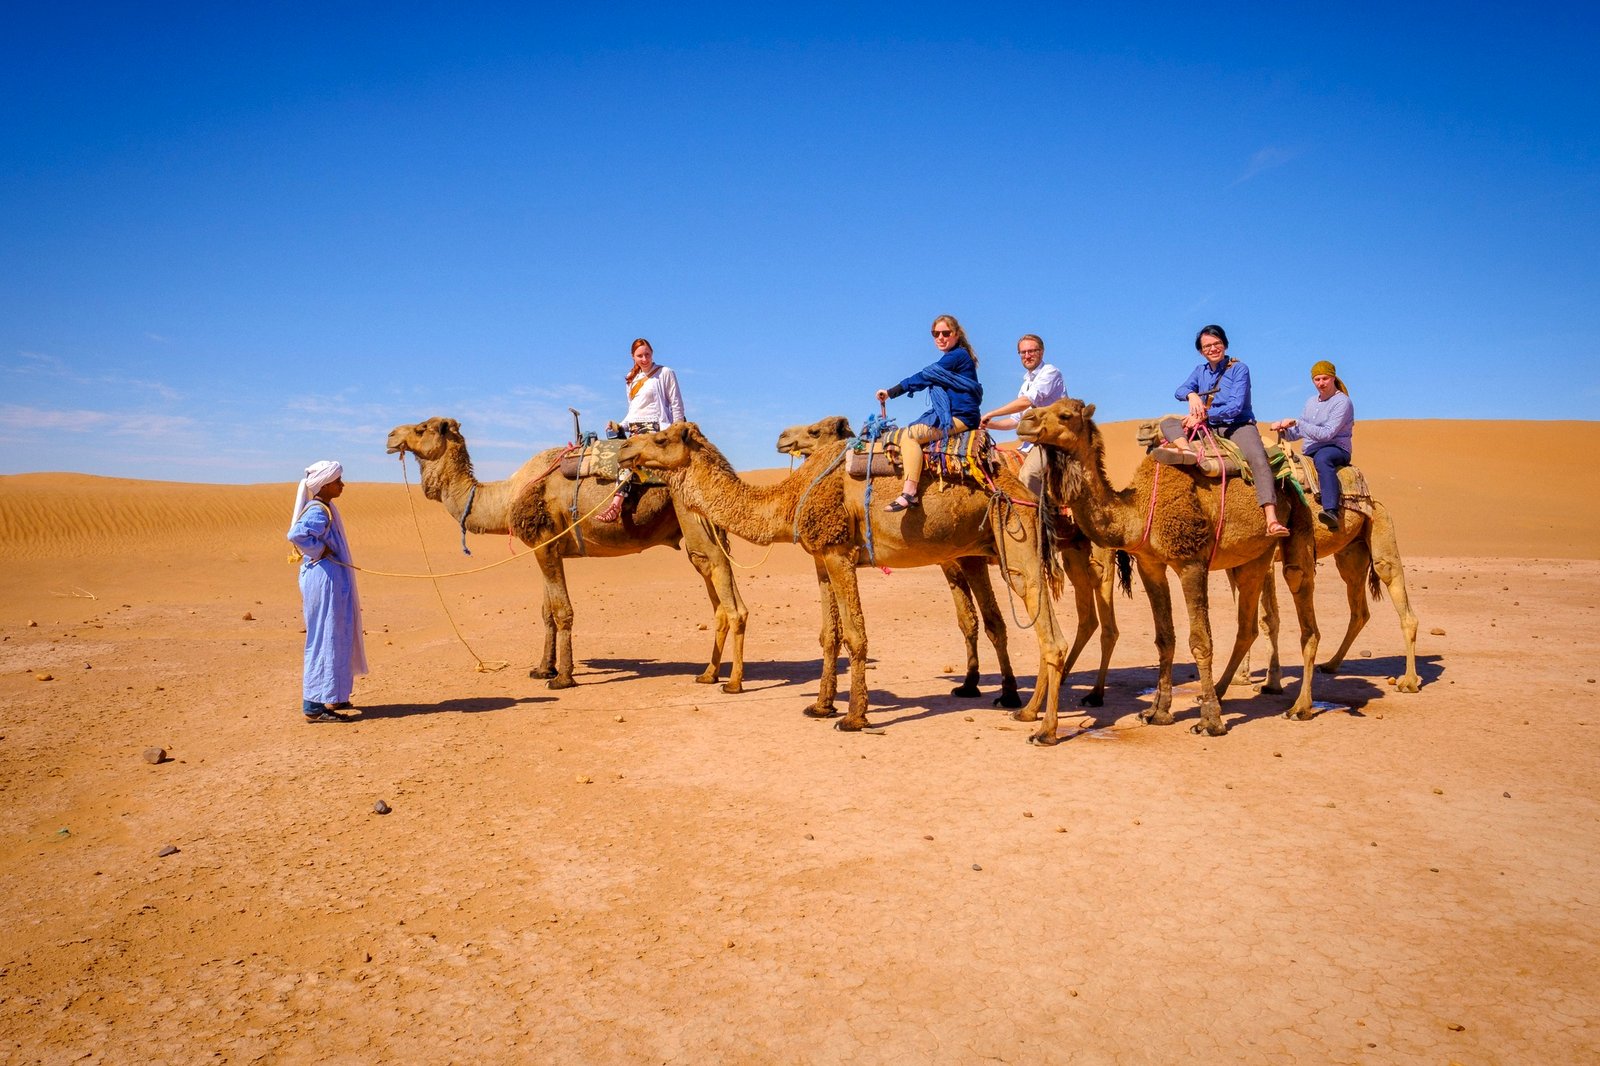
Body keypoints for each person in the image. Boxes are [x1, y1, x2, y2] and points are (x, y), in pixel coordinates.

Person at [1158, 324, 1290, 537]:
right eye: (1207, 346)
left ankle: (1271, 518)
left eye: (1216, 343)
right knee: (1167, 423)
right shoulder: (1199, 371)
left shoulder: (1239, 369)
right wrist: (1191, 395)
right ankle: (1187, 451)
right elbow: (1179, 391)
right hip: (1208, 427)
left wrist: (1204, 415)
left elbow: (1235, 406)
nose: (1212, 348)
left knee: (1258, 458)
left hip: (1237, 425)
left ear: (1225, 344)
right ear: (1201, 351)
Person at [875, 314, 984, 512]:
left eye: (945, 333)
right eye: (935, 334)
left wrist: (891, 393)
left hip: (962, 417)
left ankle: (909, 492)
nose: (940, 338)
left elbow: (925, 375)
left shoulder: (956, 356)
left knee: (910, 437)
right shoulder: (953, 357)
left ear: (956, 334)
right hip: (957, 414)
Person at [286, 460, 368, 722]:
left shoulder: (326, 508)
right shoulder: (318, 510)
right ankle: (313, 705)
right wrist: (320, 551)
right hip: (325, 579)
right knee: (325, 636)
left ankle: (334, 694)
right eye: (337, 481)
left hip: (332, 579)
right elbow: (297, 535)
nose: (342, 484)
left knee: (338, 633)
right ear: (324, 484)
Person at [599, 337, 686, 522]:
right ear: (633, 357)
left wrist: (676, 432)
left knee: (627, 459)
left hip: (655, 429)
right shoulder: (631, 379)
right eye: (640, 356)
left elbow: (676, 404)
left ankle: (615, 505)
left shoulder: (664, 373)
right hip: (634, 430)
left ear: (652, 353)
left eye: (647, 354)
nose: (644, 359)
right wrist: (620, 425)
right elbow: (633, 411)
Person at [1270, 360, 1354, 531]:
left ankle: (1331, 510)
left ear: (1333, 378)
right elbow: (1299, 433)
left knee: (1323, 460)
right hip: (1310, 450)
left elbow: (1327, 434)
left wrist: (1298, 423)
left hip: (1335, 447)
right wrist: (1284, 430)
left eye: (1325, 378)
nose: (1321, 383)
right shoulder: (1310, 402)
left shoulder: (1342, 402)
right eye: (1317, 379)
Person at [980, 333, 1066, 498]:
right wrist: (988, 423)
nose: (1027, 356)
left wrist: (992, 412)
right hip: (1030, 444)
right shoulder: (1026, 384)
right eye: (1023, 352)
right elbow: (1015, 421)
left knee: (1028, 475)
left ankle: (1038, 519)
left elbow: (1027, 401)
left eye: (1032, 351)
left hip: (1051, 441)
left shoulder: (1050, 372)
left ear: (1041, 352)